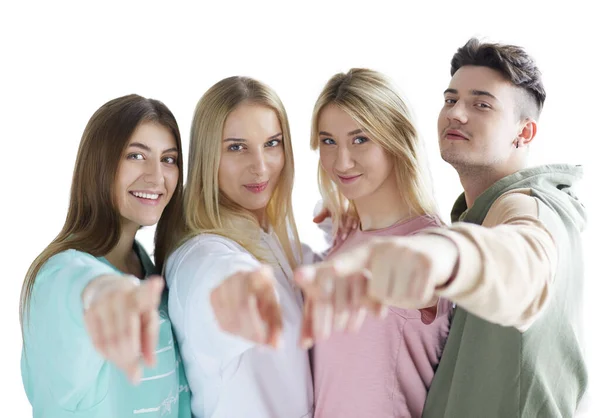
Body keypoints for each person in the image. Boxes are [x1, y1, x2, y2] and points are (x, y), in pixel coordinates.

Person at [295, 38, 587, 418]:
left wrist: (442, 254)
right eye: (451, 100)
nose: (457, 114)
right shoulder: (472, 216)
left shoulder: (531, 207)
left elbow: (524, 258)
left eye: (481, 104)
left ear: (525, 133)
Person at [20, 94, 192, 417]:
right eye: (136, 155)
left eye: (168, 159)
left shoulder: (146, 264)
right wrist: (103, 292)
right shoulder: (57, 273)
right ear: (100, 163)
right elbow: (79, 286)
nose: (157, 177)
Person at [304, 68, 452, 418]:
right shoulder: (343, 238)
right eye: (328, 141)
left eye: (360, 139)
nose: (341, 161)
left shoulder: (428, 244)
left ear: (396, 138)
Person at [164, 76, 314, 418]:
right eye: (236, 147)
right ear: (207, 157)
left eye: (272, 143)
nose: (260, 166)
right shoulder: (205, 257)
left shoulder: (268, 236)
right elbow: (223, 279)